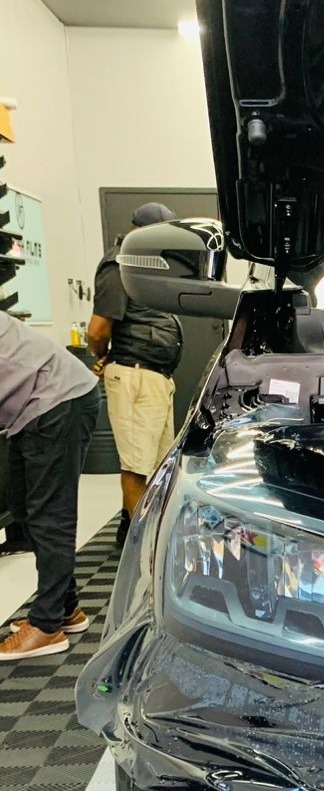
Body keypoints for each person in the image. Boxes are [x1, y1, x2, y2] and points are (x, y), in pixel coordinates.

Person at [0, 310, 100, 660]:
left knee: (49, 514)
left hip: (57, 399)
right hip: (31, 406)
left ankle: (46, 626)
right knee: (22, 505)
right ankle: (65, 607)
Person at [87, 202, 183, 542]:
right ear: (143, 232)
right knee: (136, 468)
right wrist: (102, 356)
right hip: (135, 375)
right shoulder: (120, 264)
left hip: (152, 376)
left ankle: (139, 533)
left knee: (156, 467)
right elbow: (98, 330)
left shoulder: (145, 264)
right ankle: (144, 551)